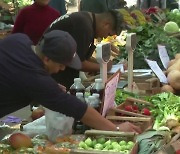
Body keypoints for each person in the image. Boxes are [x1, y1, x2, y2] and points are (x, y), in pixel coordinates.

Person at [0, 30, 141, 133]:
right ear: (47, 59)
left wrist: (48, 87)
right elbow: (77, 108)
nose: (61, 69)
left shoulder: (19, 39)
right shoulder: (36, 79)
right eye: (61, 65)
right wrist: (116, 129)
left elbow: (17, 74)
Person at [45, 10, 124, 89]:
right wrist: (103, 67)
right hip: (50, 71)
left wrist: (102, 63)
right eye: (108, 34)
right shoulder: (84, 26)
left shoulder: (86, 19)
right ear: (106, 24)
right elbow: (79, 63)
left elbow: (81, 56)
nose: (105, 37)